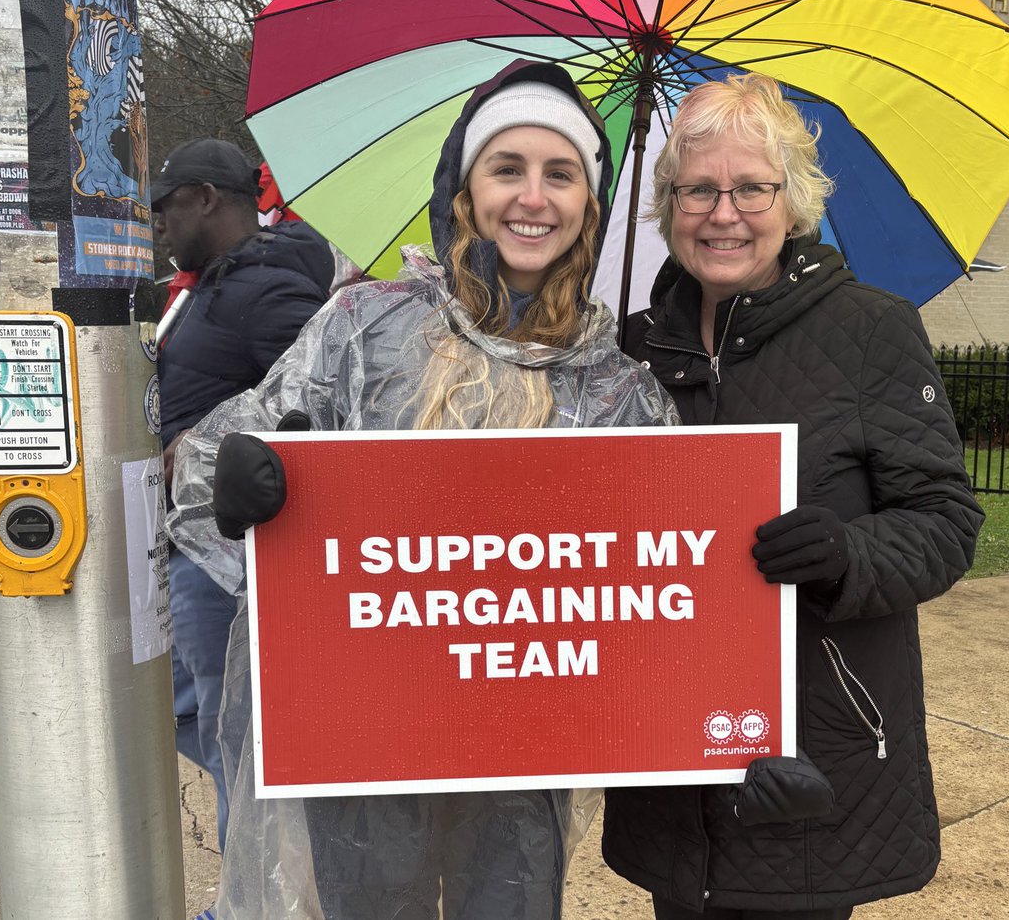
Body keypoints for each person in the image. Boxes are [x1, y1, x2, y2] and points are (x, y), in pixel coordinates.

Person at [165, 60, 680, 919]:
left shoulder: (619, 387)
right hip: (369, 722)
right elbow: (216, 466)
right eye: (507, 168)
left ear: (590, 205)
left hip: (528, 735)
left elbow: (657, 582)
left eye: (561, 175)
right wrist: (243, 484)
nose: (533, 197)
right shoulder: (364, 327)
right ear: (465, 190)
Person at [601, 73, 984, 919]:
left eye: (751, 187)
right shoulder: (631, 350)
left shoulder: (871, 329)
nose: (723, 212)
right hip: (671, 753)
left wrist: (849, 554)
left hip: (811, 746)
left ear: (794, 200)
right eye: (698, 188)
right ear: (668, 204)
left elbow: (947, 521)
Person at [152, 137, 335, 851]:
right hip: (192, 548)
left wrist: (201, 450)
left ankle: (252, 898)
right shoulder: (212, 284)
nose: (158, 225)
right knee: (195, 720)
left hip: (229, 560)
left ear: (206, 197)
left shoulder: (270, 288)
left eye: (165, 208)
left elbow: (317, 406)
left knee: (237, 740)